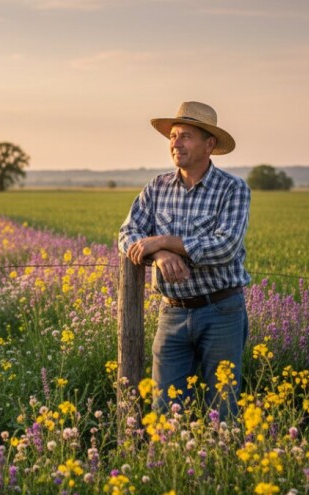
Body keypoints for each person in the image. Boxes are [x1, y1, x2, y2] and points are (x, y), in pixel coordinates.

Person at [118, 101, 251, 417]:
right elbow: (127, 234)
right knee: (165, 410)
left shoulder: (233, 189)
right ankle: (171, 466)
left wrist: (163, 240)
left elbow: (225, 247)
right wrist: (160, 254)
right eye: (173, 136)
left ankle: (221, 466)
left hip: (221, 311)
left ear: (209, 144)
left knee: (223, 409)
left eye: (186, 136)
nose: (176, 143)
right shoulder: (157, 187)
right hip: (173, 313)